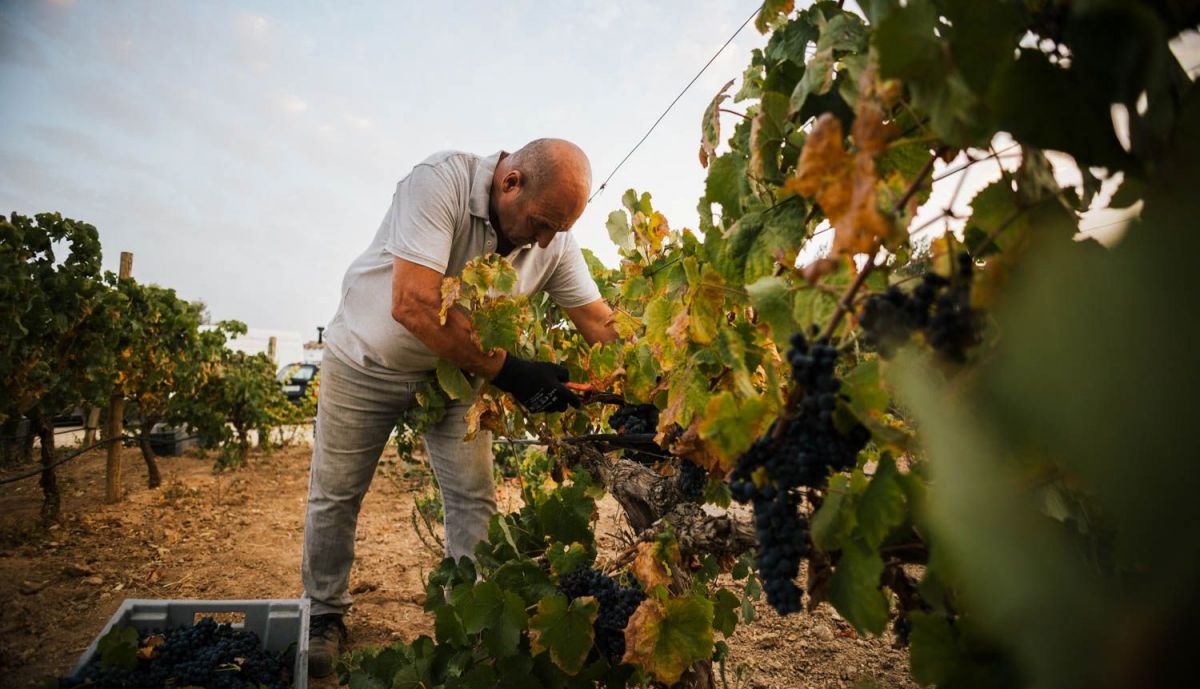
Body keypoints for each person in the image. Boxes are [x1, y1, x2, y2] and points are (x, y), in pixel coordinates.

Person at [301, 139, 618, 678]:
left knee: (474, 499)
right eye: (541, 223)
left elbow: (600, 325)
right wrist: (514, 373)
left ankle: (469, 623)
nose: (544, 240)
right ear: (511, 181)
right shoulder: (438, 183)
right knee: (336, 493)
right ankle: (323, 615)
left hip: (454, 374)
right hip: (366, 360)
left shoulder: (553, 242)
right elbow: (413, 303)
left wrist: (652, 385)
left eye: (557, 231)